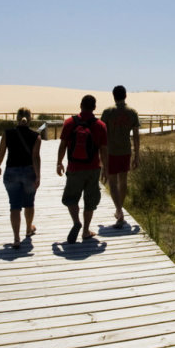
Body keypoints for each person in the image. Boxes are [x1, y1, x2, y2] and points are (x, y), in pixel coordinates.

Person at [57, 94, 108, 243]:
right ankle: (85, 230)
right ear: (94, 108)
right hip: (93, 168)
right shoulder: (100, 125)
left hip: (74, 168)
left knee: (72, 197)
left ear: (81, 105)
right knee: (90, 200)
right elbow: (104, 150)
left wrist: (59, 162)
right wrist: (105, 168)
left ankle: (76, 222)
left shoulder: (69, 122)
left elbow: (62, 145)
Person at [0, 107, 41, 249]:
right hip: (29, 172)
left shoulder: (8, 134)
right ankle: (28, 228)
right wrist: (38, 176)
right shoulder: (36, 136)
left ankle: (16, 238)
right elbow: (35, 157)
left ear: (17, 118)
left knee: (14, 206)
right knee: (29, 203)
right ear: (30, 118)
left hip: (11, 172)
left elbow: (1, 152)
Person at [100, 85, 141, 229]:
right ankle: (119, 209)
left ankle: (118, 210)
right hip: (125, 151)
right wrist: (137, 155)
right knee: (123, 181)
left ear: (114, 96)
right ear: (125, 95)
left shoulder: (107, 112)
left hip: (111, 151)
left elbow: (102, 134)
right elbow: (136, 136)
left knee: (112, 182)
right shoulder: (132, 112)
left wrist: (100, 155)